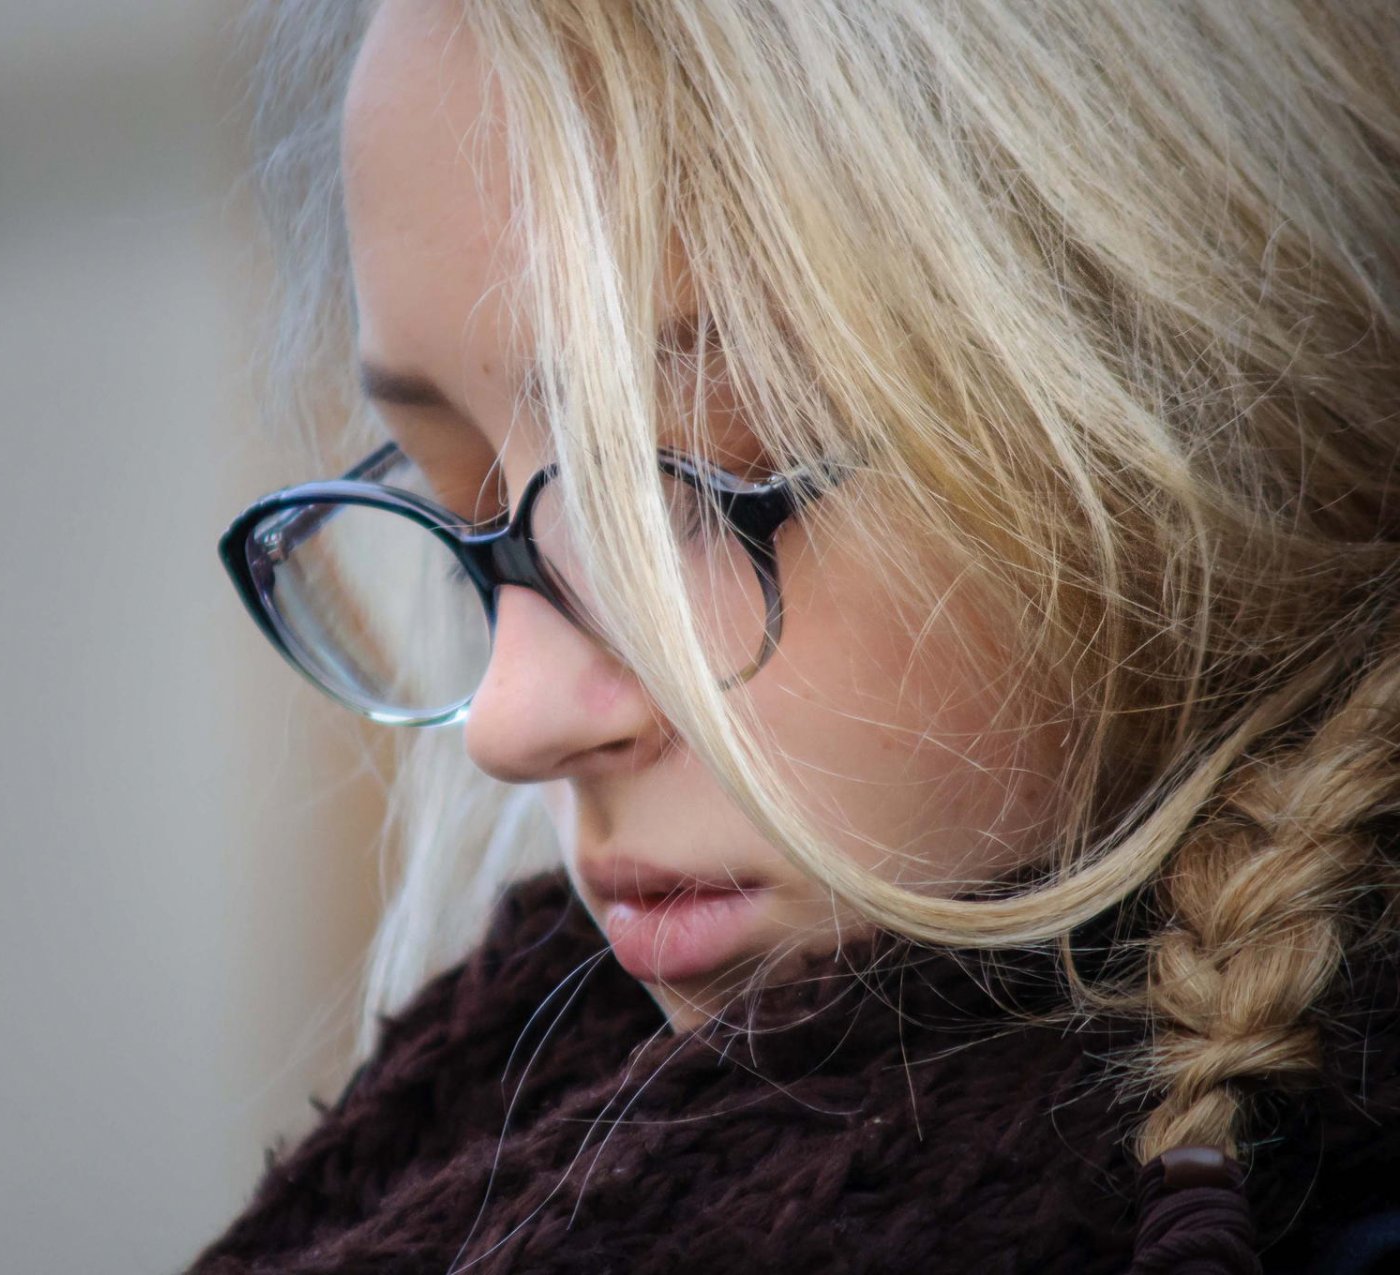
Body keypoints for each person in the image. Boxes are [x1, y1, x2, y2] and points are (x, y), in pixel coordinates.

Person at [195, 1, 1400, 1270]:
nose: (512, 720)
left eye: (698, 490)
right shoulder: (484, 1134)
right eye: (468, 510)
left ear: (1204, 419)